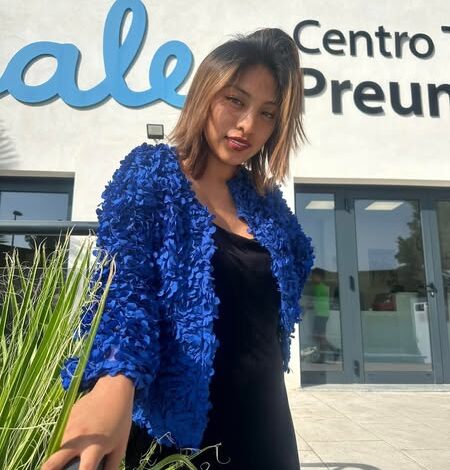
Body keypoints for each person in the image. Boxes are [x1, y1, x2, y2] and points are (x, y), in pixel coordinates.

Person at [42, 28, 315, 470]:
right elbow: (124, 289)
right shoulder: (152, 177)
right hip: (178, 436)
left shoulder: (269, 208)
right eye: (235, 100)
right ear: (205, 93)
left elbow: (291, 276)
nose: (248, 125)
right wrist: (114, 379)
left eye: (267, 113)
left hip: (266, 429)